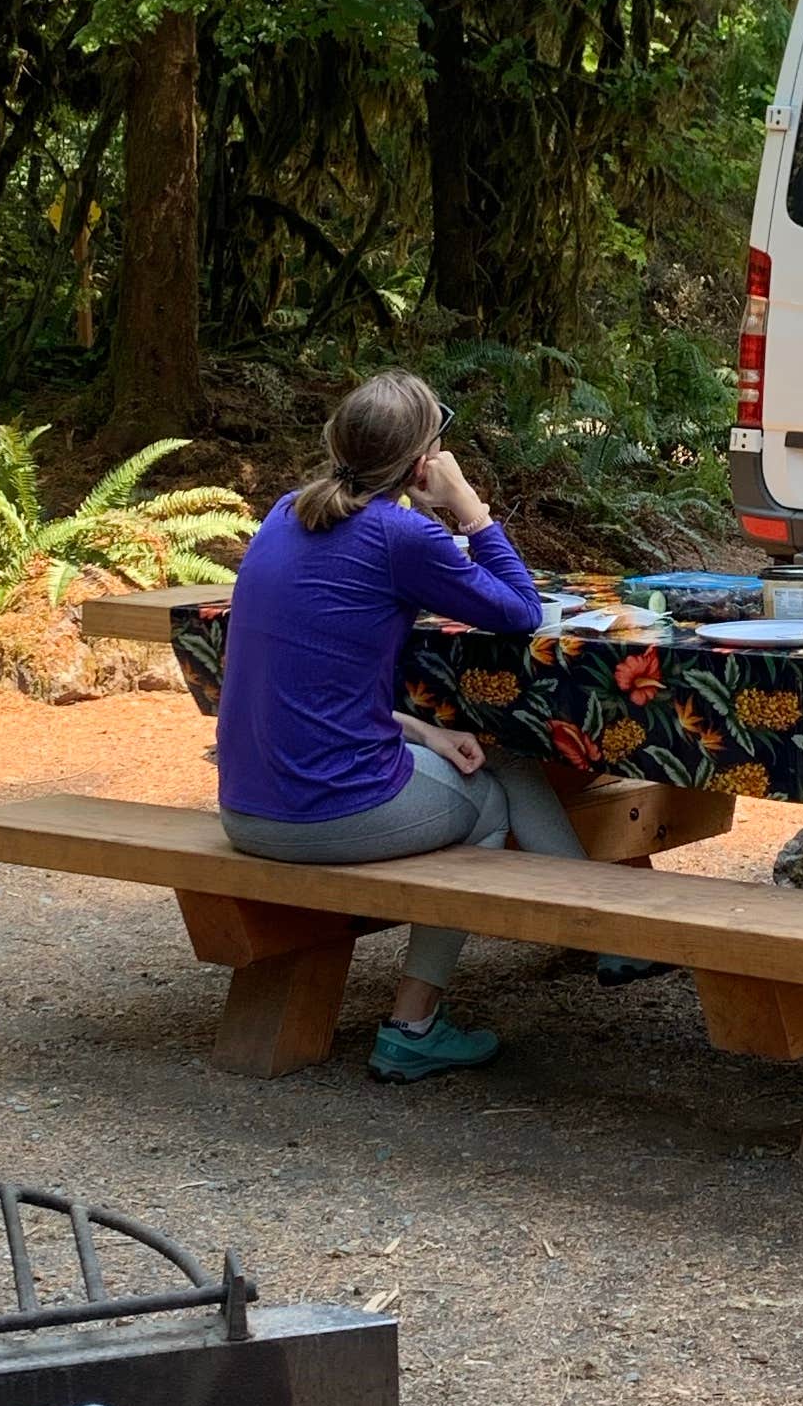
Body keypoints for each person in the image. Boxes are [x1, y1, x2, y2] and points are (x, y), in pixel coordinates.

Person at [214, 370, 599, 1079]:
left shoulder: (283, 513)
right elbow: (519, 610)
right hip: (322, 814)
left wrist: (420, 730)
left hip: (246, 807)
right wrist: (471, 509)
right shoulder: (402, 535)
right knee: (491, 783)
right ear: (425, 460)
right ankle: (414, 1023)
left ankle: (605, 934)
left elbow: (312, 682)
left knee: (477, 754)